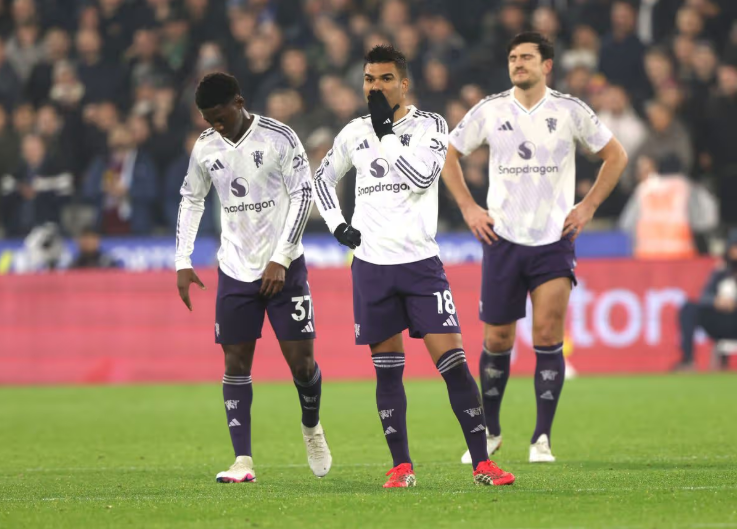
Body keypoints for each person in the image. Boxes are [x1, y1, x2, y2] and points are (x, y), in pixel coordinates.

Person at [313, 45, 515, 488]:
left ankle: (483, 464)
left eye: (385, 79)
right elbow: (321, 180)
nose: (376, 87)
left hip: (421, 266)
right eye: (369, 79)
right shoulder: (352, 133)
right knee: (387, 371)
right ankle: (401, 467)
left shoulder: (431, 125)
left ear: (403, 84)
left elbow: (422, 178)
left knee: (454, 364)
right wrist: (337, 225)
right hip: (372, 267)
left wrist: (386, 134)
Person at [441, 32, 628, 464]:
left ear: (547, 66)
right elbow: (448, 155)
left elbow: (615, 155)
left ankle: (541, 438)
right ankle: (490, 432)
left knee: (547, 334)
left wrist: (587, 206)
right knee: (497, 338)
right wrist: (469, 207)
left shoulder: (569, 110)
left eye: (526, 56)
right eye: (512, 57)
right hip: (502, 239)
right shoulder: (491, 109)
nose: (518, 63)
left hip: (553, 240)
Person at [174, 73, 331, 483]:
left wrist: (281, 257)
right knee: (235, 362)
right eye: (208, 119)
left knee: (302, 365)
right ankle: (242, 460)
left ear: (239, 103)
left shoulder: (279, 137)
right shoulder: (206, 147)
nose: (216, 125)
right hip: (235, 269)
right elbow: (191, 198)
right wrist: (182, 259)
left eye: (221, 117)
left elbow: (304, 194)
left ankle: (311, 427)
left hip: (285, 267)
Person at [675, 230, 737, 371]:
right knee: (689, 308)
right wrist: (716, 301)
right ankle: (688, 361)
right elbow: (704, 297)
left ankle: (724, 361)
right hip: (720, 319)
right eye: (734, 247)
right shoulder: (721, 272)